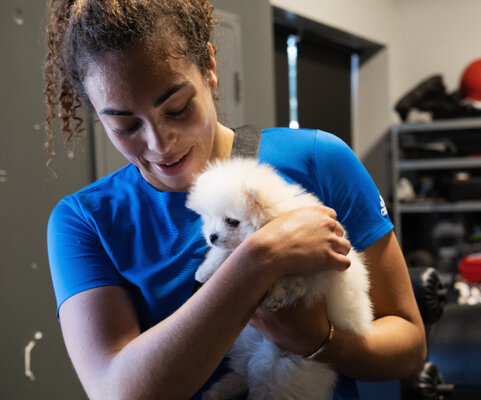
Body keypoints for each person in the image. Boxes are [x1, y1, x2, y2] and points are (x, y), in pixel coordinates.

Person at [44, 0, 426, 399]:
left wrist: (319, 341)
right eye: (125, 126)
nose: (159, 144)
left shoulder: (319, 160)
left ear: (209, 67)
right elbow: (116, 392)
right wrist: (260, 257)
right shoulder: (85, 220)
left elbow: (409, 346)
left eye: (177, 108)